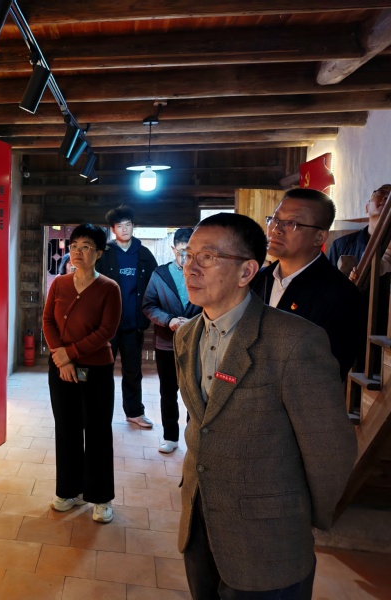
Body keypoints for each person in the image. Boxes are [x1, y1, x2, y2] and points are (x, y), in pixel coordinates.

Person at [175, 212, 356, 599]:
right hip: (199, 520)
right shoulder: (186, 335)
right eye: (188, 255)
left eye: (207, 257)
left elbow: (330, 449)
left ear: (246, 272)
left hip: (269, 539)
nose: (191, 267)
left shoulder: (294, 341)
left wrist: (300, 519)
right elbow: (202, 422)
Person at [43, 223, 122, 524]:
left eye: (86, 247)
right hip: (60, 367)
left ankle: (101, 498)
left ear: (98, 253)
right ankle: (69, 491)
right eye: (74, 246)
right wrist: (61, 359)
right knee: (67, 428)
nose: (78, 252)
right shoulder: (59, 284)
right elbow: (48, 321)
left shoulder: (109, 288)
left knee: (98, 430)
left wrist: (71, 354)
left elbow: (106, 331)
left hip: (96, 368)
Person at [251, 188, 364, 380]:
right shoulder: (256, 280)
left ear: (319, 237)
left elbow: (329, 372)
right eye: (275, 219)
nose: (276, 229)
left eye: (292, 223)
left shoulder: (341, 295)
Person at [96, 205, 157, 428]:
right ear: (113, 229)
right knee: (103, 370)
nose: (124, 229)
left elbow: (154, 285)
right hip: (107, 326)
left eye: (128, 224)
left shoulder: (144, 254)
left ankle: (134, 412)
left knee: (133, 371)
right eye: (119, 225)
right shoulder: (104, 253)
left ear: (133, 226)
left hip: (133, 324)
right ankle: (100, 412)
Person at [142, 228, 201, 454]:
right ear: (173, 249)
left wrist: (194, 321)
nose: (186, 257)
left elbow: (213, 304)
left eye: (191, 252)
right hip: (166, 343)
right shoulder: (160, 274)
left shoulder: (204, 272)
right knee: (168, 391)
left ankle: (193, 439)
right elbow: (149, 305)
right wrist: (169, 320)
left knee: (194, 392)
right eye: (182, 251)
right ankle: (170, 437)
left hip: (197, 342)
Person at [327, 184, 391, 278]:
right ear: (367, 207)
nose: (387, 197)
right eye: (381, 193)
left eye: (390, 195)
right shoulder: (340, 245)